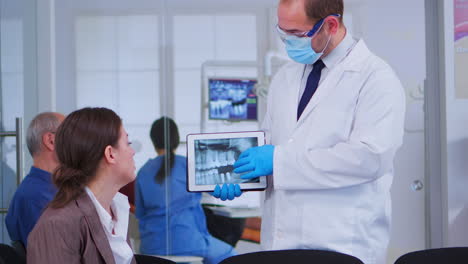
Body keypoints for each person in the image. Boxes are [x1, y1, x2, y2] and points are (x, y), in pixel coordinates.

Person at [213, 0, 406, 263]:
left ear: (330, 25)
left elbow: (370, 158)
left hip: (341, 243)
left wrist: (278, 161)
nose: (287, 42)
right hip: (280, 242)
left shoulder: (375, 78)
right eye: (282, 32)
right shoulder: (285, 77)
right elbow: (271, 147)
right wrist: (243, 177)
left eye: (296, 34)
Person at [27, 107, 137, 264]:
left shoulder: (117, 213)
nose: (132, 152)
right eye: (128, 143)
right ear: (110, 154)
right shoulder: (57, 225)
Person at [135, 117, 236, 264]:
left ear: (153, 141)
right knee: (232, 256)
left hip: (152, 247)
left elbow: (140, 214)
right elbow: (216, 189)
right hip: (190, 243)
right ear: (176, 139)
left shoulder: (143, 172)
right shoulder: (189, 165)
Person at [5, 112, 65, 247]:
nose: (77, 142)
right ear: (51, 141)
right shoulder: (36, 197)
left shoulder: (48, 190)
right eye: (71, 134)